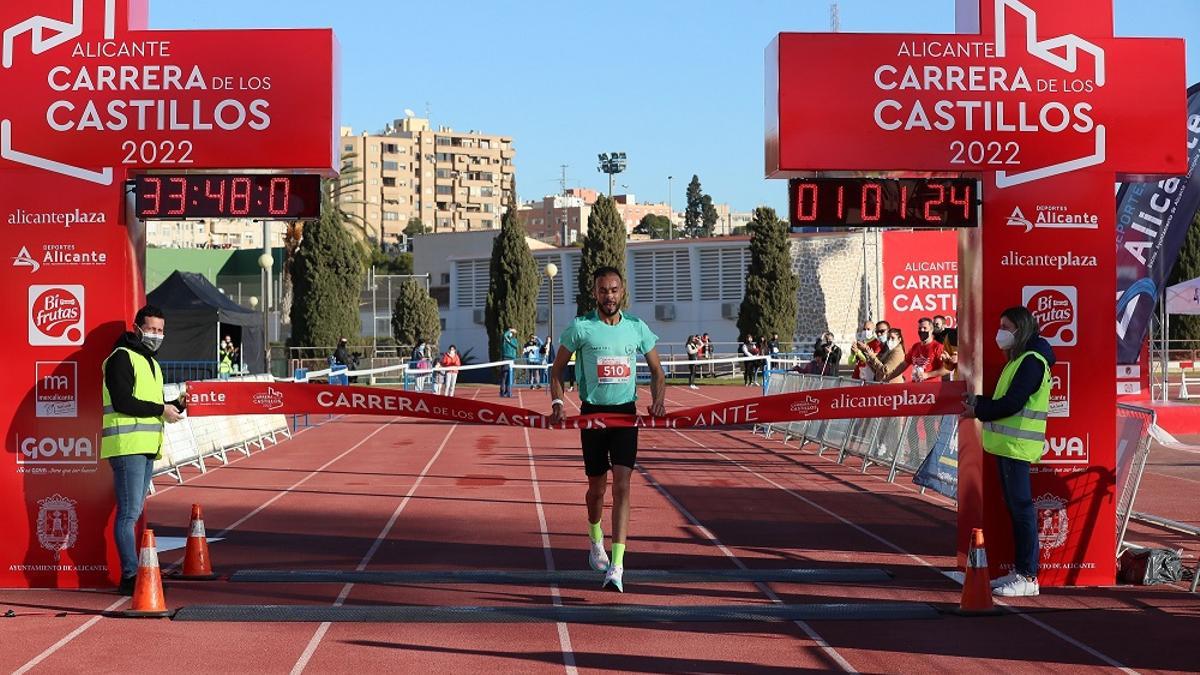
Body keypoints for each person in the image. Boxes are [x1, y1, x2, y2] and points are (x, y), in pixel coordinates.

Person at [549, 266, 666, 593]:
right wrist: (558, 404)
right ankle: (595, 537)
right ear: (595, 293)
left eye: (614, 290)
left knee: (623, 486)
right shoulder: (581, 328)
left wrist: (658, 400)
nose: (609, 296)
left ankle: (617, 564)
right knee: (597, 489)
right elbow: (556, 371)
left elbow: (658, 371)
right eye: (603, 291)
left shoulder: (636, 328)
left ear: (622, 291)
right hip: (593, 416)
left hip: (625, 415)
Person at [962, 306, 1054, 598]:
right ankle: (1021, 571)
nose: (1000, 332)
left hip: (1017, 448)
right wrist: (977, 401)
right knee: (1017, 511)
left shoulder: (1031, 361)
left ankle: (1029, 576)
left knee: (1023, 510)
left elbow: (1012, 404)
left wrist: (978, 410)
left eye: (1006, 326)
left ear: (1021, 328)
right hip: (1006, 446)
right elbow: (1003, 400)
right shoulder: (1018, 360)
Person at [102, 305, 185, 595]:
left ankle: (133, 573)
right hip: (127, 446)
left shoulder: (151, 361)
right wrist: (162, 409)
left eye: (160, 331)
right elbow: (124, 401)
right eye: (151, 329)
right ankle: (128, 576)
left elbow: (152, 405)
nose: (156, 335)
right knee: (128, 514)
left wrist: (174, 407)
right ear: (137, 328)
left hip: (147, 445)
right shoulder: (121, 358)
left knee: (133, 512)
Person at [500, 327, 518, 397]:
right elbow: (504, 336)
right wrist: (509, 330)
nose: (510, 333)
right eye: (509, 332)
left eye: (511, 332)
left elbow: (515, 346)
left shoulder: (514, 340)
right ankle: (502, 392)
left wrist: (509, 340)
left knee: (509, 377)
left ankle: (508, 392)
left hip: (512, 359)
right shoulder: (504, 339)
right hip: (505, 358)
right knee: (504, 376)